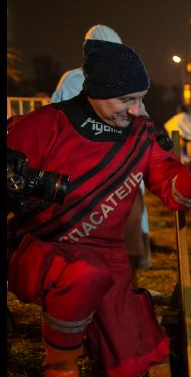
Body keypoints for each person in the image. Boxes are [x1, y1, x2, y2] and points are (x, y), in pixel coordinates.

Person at [6, 39, 191, 377]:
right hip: (46, 247)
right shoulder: (44, 125)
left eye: (141, 98)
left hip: (108, 255)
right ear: (97, 91)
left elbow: (176, 194)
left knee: (134, 366)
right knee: (85, 275)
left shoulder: (140, 133)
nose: (139, 110)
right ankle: (60, 368)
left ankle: (88, 326)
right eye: (128, 100)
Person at [51, 24, 152, 274]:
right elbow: (58, 119)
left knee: (126, 232)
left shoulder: (125, 77)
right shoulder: (75, 80)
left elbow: (141, 119)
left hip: (121, 167)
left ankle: (125, 290)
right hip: (88, 170)